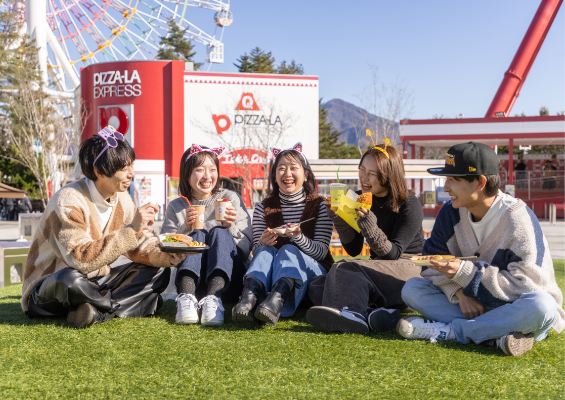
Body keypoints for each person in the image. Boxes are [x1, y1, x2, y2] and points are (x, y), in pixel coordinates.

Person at [397, 142, 564, 356]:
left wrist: (465, 274)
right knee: (412, 289)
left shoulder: (517, 218)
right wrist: (458, 292)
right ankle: (498, 335)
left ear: (480, 182)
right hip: (471, 306)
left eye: (453, 180)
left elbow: (529, 286)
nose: (445, 187)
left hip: (517, 306)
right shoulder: (450, 212)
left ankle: (453, 332)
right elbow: (429, 266)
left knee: (543, 306)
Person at [21, 126, 187, 328]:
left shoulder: (123, 200)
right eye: (123, 169)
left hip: (97, 281)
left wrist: (169, 254)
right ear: (99, 171)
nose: (131, 174)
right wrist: (132, 229)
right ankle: (133, 305)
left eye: (131, 166)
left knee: (159, 270)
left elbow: (138, 246)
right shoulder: (67, 200)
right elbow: (80, 259)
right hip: (49, 287)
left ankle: (95, 311)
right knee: (70, 279)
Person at [305, 144, 425, 335]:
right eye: (362, 169)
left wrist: (368, 223)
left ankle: (354, 314)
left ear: (388, 175)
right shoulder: (360, 198)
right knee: (316, 285)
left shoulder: (409, 203)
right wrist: (340, 219)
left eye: (372, 173)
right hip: (377, 267)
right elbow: (353, 249)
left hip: (410, 268)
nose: (364, 177)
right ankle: (375, 314)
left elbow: (392, 254)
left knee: (343, 269)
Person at [231, 143, 334, 327]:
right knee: (264, 251)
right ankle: (247, 300)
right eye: (281, 168)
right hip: (273, 275)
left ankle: (276, 301)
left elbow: (321, 253)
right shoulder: (264, 207)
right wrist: (261, 242)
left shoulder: (320, 206)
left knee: (287, 248)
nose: (287, 174)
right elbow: (257, 253)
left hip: (314, 274)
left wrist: (298, 237)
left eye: (294, 168)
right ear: (275, 176)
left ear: (306, 175)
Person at [161, 144, 252, 326]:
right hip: (193, 284)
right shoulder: (177, 205)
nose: (207, 176)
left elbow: (246, 246)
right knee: (197, 232)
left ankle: (214, 299)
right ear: (187, 173)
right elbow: (165, 249)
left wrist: (230, 227)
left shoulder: (229, 198)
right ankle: (186, 298)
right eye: (199, 170)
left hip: (229, 282)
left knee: (219, 231)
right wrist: (185, 230)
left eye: (212, 169)